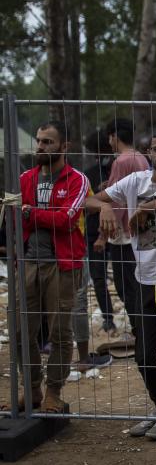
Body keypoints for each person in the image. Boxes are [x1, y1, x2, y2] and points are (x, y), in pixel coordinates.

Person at [87, 128, 156, 441]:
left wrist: (142, 210)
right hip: (145, 280)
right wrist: (107, 207)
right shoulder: (135, 181)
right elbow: (89, 199)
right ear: (149, 153)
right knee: (144, 354)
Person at [3, 121, 90, 414]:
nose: (40, 146)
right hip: (27, 263)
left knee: (59, 332)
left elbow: (67, 220)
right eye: (39, 141)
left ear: (64, 147)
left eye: (48, 142)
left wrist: (30, 212)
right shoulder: (25, 178)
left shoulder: (76, 179)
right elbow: (15, 219)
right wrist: (32, 214)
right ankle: (31, 389)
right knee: (19, 330)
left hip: (62, 265)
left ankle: (54, 391)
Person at [103, 118, 150, 321]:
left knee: (125, 286)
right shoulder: (140, 157)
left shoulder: (121, 161)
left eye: (110, 137)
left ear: (115, 136)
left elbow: (116, 200)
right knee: (136, 281)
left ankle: (138, 327)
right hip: (140, 226)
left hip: (123, 232)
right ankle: (142, 325)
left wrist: (104, 233)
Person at [81, 128, 116, 335]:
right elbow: (85, 203)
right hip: (95, 231)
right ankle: (108, 318)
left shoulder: (118, 168)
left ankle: (129, 315)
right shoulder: (89, 174)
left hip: (118, 231)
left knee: (122, 278)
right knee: (99, 277)